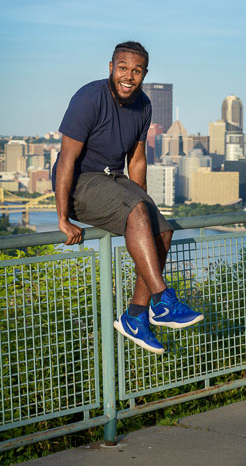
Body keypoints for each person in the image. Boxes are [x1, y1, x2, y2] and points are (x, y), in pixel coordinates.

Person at [53, 41, 203, 354]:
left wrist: (143, 208)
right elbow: (67, 159)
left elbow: (136, 159)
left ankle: (136, 315)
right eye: (123, 68)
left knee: (162, 230)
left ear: (144, 74)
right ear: (111, 67)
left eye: (136, 71)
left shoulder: (143, 105)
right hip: (81, 182)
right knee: (136, 211)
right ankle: (163, 300)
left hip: (114, 181)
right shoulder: (89, 98)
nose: (128, 76)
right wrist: (63, 219)